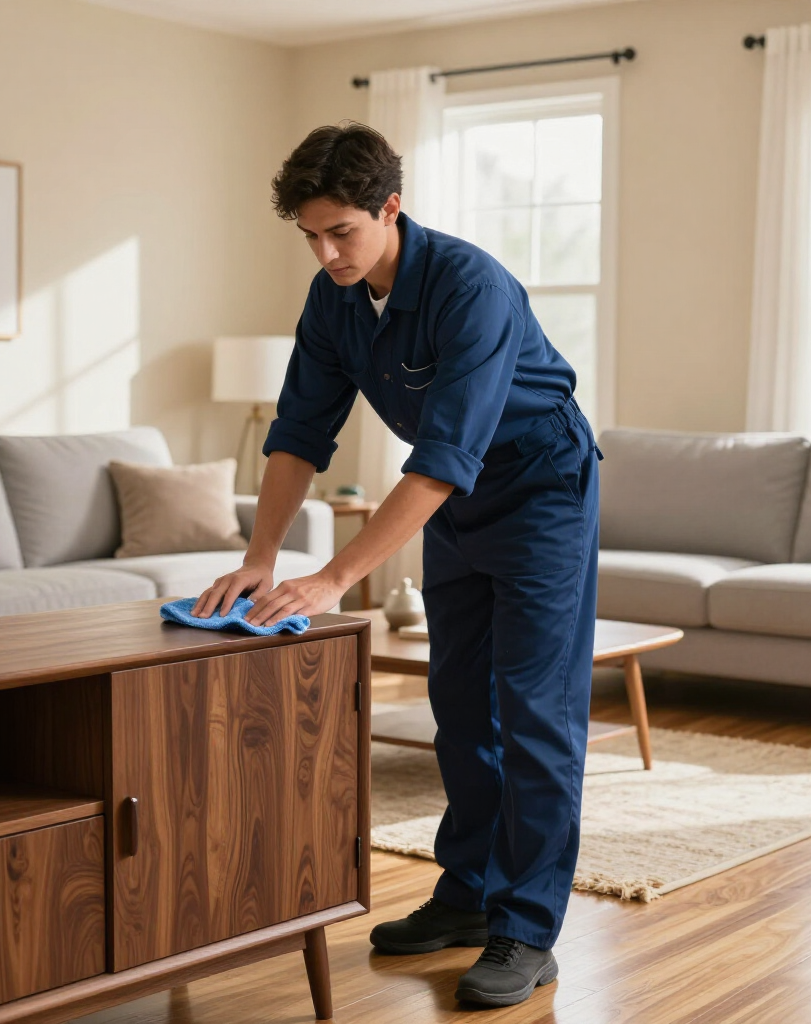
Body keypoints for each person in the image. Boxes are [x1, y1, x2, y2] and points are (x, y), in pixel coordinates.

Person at [193, 122, 601, 1009]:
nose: (327, 250)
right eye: (311, 233)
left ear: (392, 208)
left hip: (539, 490)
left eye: (342, 230)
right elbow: (301, 431)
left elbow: (446, 456)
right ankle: (465, 896)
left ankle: (528, 928)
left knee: (535, 712)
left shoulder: (471, 286)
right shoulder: (331, 297)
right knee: (460, 705)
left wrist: (335, 579)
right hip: (452, 503)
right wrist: (262, 556)